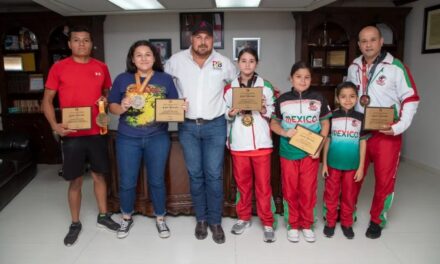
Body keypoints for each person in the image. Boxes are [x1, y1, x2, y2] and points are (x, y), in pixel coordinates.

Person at [42, 26, 120, 247]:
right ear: (70, 44)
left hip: (97, 131)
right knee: (75, 180)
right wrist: (55, 126)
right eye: (76, 40)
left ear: (91, 44)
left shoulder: (101, 67)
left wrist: (103, 101)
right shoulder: (59, 68)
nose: (81, 44)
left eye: (85, 40)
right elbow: (47, 101)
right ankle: (75, 222)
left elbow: (108, 94)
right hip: (72, 134)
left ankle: (103, 216)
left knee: (99, 176)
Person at [165, 21, 236, 244]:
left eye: (207, 37)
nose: (203, 41)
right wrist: (173, 103)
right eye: (198, 37)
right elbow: (163, 88)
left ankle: (215, 221)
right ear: (191, 39)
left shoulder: (224, 63)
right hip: (187, 126)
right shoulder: (175, 61)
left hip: (215, 125)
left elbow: (238, 87)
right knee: (195, 175)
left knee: (214, 175)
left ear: (212, 40)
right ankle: (201, 219)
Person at [347, 25, 420, 239]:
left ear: (381, 42)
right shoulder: (353, 67)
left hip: (386, 133)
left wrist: (397, 128)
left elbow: (411, 99)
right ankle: (348, 214)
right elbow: (349, 97)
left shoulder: (396, 67)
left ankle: (377, 220)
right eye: (363, 41)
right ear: (359, 44)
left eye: (372, 40)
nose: (368, 44)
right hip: (359, 132)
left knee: (384, 179)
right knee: (353, 175)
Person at [108, 40, 179, 239]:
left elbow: (173, 104)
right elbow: (111, 106)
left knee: (157, 180)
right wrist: (121, 106)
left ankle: (160, 217)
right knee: (127, 181)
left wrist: (179, 108)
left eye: (148, 54)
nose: (144, 58)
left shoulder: (165, 79)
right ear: (132, 59)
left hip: (158, 137)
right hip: (127, 138)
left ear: (154, 58)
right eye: (138, 55)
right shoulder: (122, 79)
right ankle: (126, 217)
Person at [270, 61, 331, 243]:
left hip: (310, 153)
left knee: (308, 189)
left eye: (307, 77)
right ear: (291, 78)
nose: (303, 81)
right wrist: (284, 132)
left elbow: (326, 123)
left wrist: (318, 148)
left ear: (311, 79)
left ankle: (307, 224)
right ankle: (293, 224)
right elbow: (273, 123)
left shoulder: (319, 98)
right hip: (288, 151)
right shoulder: (282, 99)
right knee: (290, 189)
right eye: (298, 77)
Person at [223, 48, 277, 243]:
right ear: (238, 63)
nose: (247, 64)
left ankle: (267, 221)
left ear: (257, 63)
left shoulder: (266, 86)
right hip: (239, 144)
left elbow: (273, 111)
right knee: (243, 186)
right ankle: (243, 217)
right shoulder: (230, 87)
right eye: (243, 60)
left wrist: (263, 108)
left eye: (251, 61)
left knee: (263, 186)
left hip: (262, 144)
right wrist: (231, 112)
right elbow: (223, 113)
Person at [321, 81, 368, 239]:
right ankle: (331, 222)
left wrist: (361, 167)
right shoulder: (332, 116)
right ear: (337, 98)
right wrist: (325, 164)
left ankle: (347, 223)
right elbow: (327, 140)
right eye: (343, 97)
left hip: (352, 166)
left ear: (357, 98)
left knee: (349, 195)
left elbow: (363, 143)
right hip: (333, 164)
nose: (348, 100)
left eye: (352, 96)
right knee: (331, 194)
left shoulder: (361, 118)